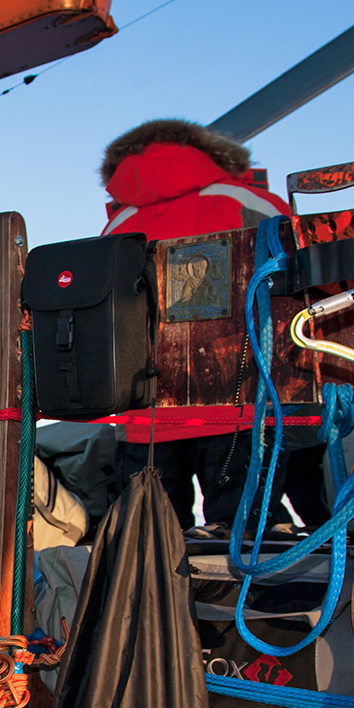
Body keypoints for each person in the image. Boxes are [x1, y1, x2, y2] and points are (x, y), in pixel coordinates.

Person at [95, 119, 326, 528]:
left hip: (144, 409)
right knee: (251, 532)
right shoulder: (253, 202)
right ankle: (274, 593)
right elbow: (308, 290)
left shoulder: (117, 225)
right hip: (242, 399)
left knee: (150, 544)